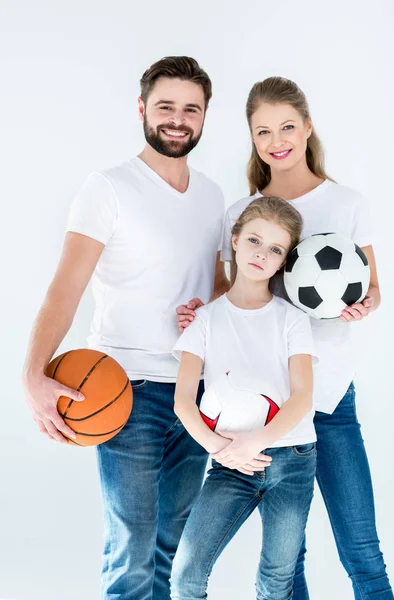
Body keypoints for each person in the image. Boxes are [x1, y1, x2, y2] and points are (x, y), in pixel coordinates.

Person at [22, 56, 229, 600]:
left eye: (191, 108)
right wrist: (31, 376)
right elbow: (64, 290)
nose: (177, 119)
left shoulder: (212, 197)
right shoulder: (108, 187)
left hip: (195, 391)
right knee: (131, 550)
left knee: (171, 548)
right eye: (165, 106)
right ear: (142, 109)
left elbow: (221, 293)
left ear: (206, 117)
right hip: (123, 392)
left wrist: (206, 313)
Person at [178, 76, 394, 599]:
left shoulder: (348, 203)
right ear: (252, 140)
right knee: (285, 562)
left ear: (308, 127)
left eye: (287, 127)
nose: (277, 140)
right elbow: (228, 298)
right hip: (267, 409)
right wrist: (196, 314)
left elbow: (375, 287)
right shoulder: (242, 215)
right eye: (263, 132)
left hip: (330, 396)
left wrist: (366, 303)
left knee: (360, 547)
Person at [170, 196, 319, 600]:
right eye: (254, 240)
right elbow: (184, 401)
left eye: (275, 249)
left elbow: (303, 397)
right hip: (228, 462)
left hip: (292, 460)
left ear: (283, 260)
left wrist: (257, 441)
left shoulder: (292, 319)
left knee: (275, 582)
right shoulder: (204, 320)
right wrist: (222, 450)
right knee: (186, 575)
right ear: (234, 240)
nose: (262, 254)